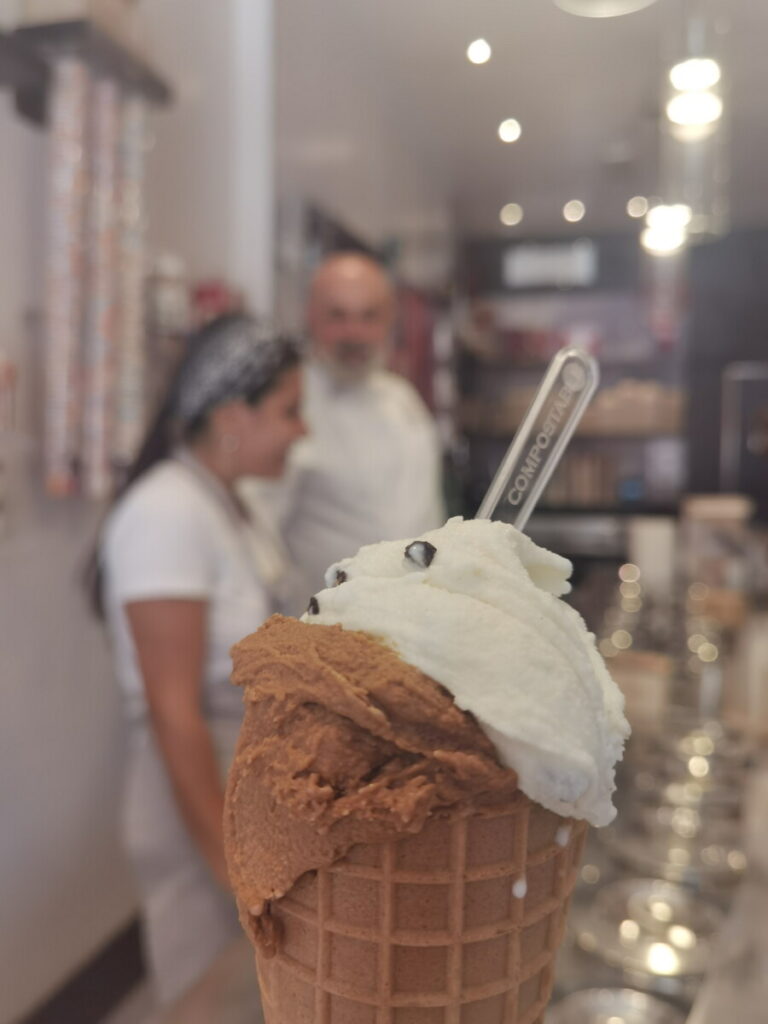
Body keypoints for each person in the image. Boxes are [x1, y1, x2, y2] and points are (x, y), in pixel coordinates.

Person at [92, 315, 305, 1004]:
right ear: (231, 415)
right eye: (290, 411)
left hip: (236, 785)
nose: (303, 432)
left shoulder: (230, 505)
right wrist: (225, 856)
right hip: (195, 793)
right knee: (211, 995)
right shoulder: (165, 513)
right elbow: (171, 707)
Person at [283, 251, 444, 596]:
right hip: (323, 625)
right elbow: (260, 536)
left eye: (369, 316)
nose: (354, 333)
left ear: (390, 321)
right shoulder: (288, 406)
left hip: (417, 616)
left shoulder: (404, 399)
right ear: (310, 317)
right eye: (337, 316)